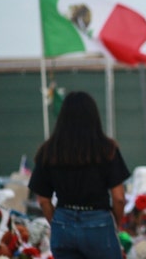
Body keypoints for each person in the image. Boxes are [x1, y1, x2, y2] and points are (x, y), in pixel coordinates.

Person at [28, 91, 130, 259]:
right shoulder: (107, 150)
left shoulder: (48, 151)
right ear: (94, 116)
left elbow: (43, 200)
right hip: (98, 221)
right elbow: (119, 197)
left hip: (63, 221)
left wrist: (58, 222)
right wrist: (114, 224)